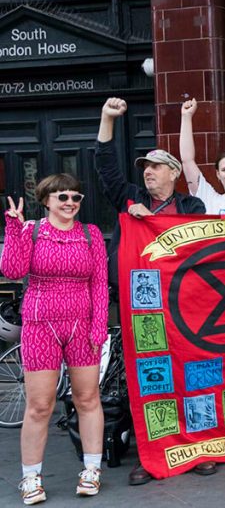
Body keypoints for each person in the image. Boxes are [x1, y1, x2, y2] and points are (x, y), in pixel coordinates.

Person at [95, 97, 206, 485]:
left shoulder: (192, 206)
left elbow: (200, 251)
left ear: (173, 172)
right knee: (147, 382)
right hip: (141, 310)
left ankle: (197, 446)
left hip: (184, 307)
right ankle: (150, 453)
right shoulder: (131, 199)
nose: (148, 173)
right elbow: (106, 170)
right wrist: (108, 119)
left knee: (190, 377)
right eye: (145, 168)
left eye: (156, 167)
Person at [2, 175, 107, 504]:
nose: (70, 203)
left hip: (82, 325)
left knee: (87, 399)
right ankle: (30, 477)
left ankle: (91, 469)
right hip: (39, 326)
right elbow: (12, 270)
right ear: (46, 199)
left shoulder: (91, 235)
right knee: (39, 406)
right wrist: (13, 230)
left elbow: (100, 285)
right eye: (63, 197)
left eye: (76, 197)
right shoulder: (31, 231)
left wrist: (99, 328)